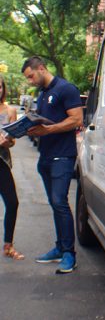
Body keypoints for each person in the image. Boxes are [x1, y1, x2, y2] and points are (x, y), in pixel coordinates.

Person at [21, 56, 83, 274]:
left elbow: (76, 120)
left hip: (63, 157)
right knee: (55, 204)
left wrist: (47, 130)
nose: (30, 81)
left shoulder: (66, 89)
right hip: (46, 157)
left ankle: (69, 255)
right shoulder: (43, 93)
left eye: (31, 76)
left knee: (60, 202)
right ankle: (59, 248)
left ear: (41, 68)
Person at [0, 76, 24, 260]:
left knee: (12, 202)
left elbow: (13, 140)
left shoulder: (10, 111)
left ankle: (8, 245)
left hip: (2, 161)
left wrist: (7, 142)